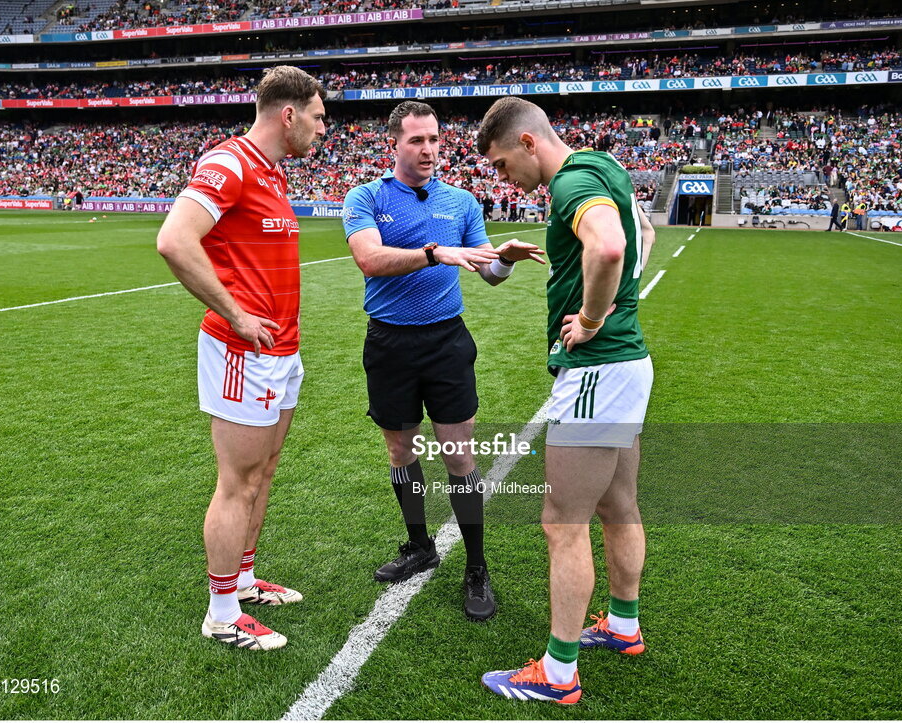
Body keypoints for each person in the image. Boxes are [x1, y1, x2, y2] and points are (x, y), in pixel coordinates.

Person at [476, 96, 656, 704]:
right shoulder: (604, 166)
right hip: (630, 366)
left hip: (598, 369)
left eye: (502, 166)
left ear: (528, 143)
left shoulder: (571, 182)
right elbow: (643, 232)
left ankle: (557, 674)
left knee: (562, 522)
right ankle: (624, 627)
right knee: (619, 504)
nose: (507, 180)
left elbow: (607, 247)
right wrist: (621, 302)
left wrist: (591, 316)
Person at [342, 101, 545, 622]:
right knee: (399, 450)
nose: (429, 149)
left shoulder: (461, 202)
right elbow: (369, 259)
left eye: (433, 139)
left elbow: (488, 274)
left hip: (446, 343)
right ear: (395, 144)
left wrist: (502, 258)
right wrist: (435, 253)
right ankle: (420, 546)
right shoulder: (366, 197)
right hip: (389, 343)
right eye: (416, 141)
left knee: (458, 457)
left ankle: (476, 567)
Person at [155, 66, 326, 651]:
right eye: (319, 117)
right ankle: (221, 613)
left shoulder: (272, 173)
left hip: (280, 351)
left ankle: (246, 581)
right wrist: (235, 314)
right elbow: (175, 240)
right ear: (289, 114)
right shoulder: (229, 162)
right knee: (237, 481)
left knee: (264, 473)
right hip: (242, 352)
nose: (324, 129)